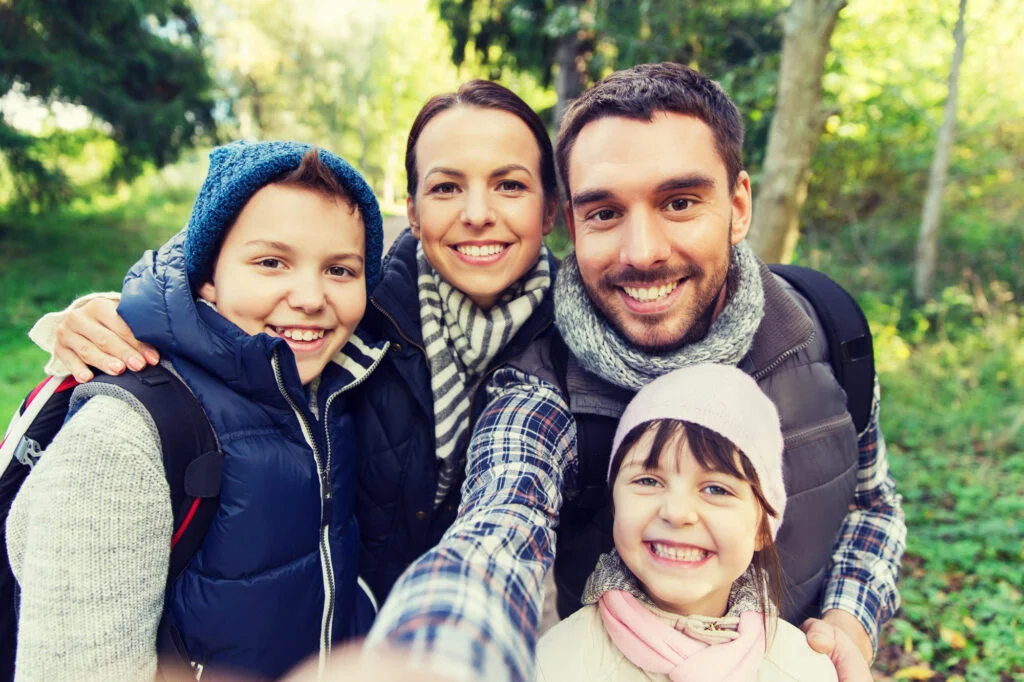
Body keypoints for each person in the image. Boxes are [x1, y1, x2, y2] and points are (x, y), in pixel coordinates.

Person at [361, 63, 904, 682]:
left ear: (738, 205)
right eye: (605, 212)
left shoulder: (827, 329)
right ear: (572, 224)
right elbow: (498, 528)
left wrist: (850, 620)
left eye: (680, 203)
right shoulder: (541, 385)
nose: (643, 252)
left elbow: (871, 503)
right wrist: (435, 655)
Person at [22, 79, 560, 629]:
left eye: (510, 185)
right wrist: (111, 314)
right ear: (414, 211)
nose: (477, 213)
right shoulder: (368, 310)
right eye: (445, 187)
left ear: (551, 209)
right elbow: (228, 276)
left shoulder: (583, 331)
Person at [6, 141, 388, 680]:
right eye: (271, 262)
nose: (310, 297)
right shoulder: (121, 438)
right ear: (208, 275)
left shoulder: (332, 392)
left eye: (340, 270)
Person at [534, 363, 838, 682]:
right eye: (648, 481)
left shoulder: (805, 670)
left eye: (716, 489)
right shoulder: (553, 665)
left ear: (762, 528)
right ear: (615, 503)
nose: (677, 513)